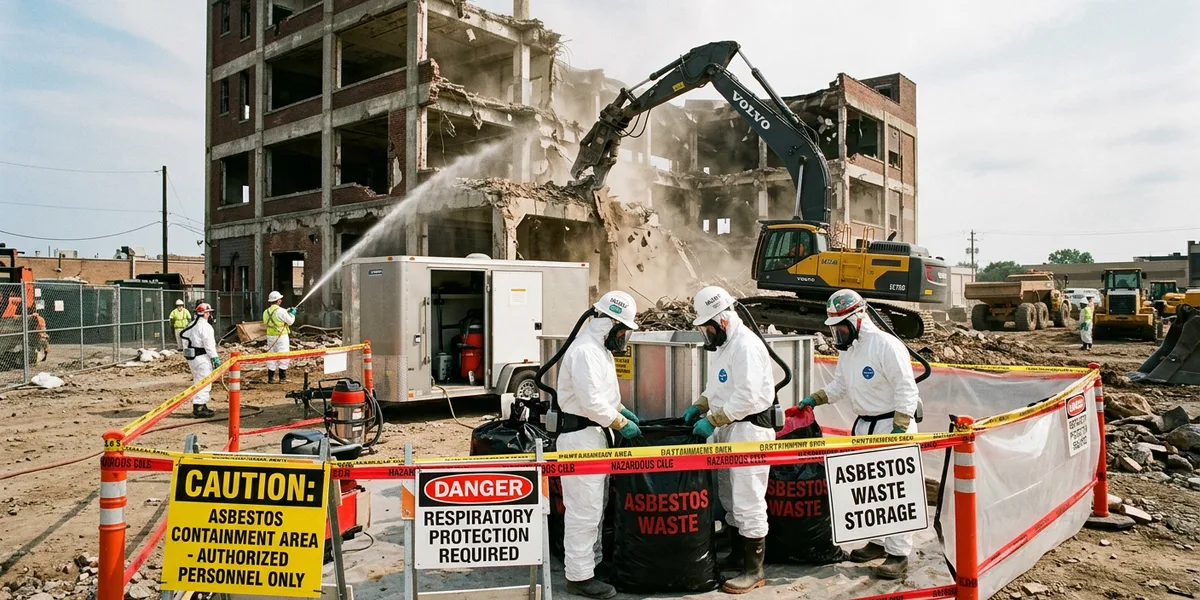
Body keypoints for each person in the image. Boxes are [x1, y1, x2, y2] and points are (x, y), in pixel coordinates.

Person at [796, 289, 921, 580]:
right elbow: (840, 386)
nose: (837, 334)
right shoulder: (850, 351)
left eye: (840, 327)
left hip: (891, 425)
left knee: (893, 493)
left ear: (858, 319)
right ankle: (877, 543)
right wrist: (816, 398)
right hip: (865, 426)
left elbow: (906, 387)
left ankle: (898, 555)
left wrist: (900, 429)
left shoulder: (885, 345)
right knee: (870, 490)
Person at [680, 286, 775, 594]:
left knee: (748, 498)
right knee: (729, 496)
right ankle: (737, 552)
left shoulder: (746, 346)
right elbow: (717, 390)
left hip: (748, 431)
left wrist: (713, 420)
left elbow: (747, 397)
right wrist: (701, 405)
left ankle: (754, 569)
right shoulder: (724, 347)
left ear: (721, 321)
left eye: (707, 329)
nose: (706, 336)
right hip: (729, 431)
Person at [557, 291, 642, 600]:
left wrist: (619, 411)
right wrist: (620, 422)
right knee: (584, 511)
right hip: (581, 439)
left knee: (597, 507)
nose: (624, 338)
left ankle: (590, 567)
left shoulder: (598, 350)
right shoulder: (584, 352)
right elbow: (592, 403)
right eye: (623, 331)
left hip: (595, 437)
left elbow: (604, 398)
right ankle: (578, 577)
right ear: (608, 324)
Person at [180, 303, 221, 418]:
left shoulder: (191, 325)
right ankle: (199, 407)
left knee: (198, 380)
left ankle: (201, 404)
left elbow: (184, 341)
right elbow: (209, 345)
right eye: (209, 313)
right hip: (202, 358)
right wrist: (215, 358)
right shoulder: (206, 327)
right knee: (204, 382)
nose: (210, 315)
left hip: (192, 358)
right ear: (206, 313)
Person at [263, 291, 296, 383]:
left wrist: (287, 312)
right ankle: (282, 378)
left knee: (271, 355)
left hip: (270, 336)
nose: (281, 300)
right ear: (277, 301)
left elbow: (266, 322)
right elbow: (290, 322)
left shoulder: (266, 312)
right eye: (280, 299)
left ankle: (271, 378)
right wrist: (292, 314)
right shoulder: (281, 311)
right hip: (281, 336)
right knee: (283, 354)